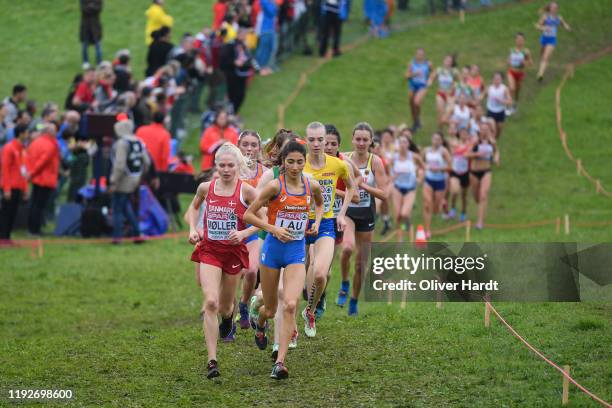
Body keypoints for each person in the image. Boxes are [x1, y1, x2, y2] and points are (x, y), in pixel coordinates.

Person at [244, 140, 324, 379]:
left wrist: (317, 222)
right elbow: (248, 214)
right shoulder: (274, 187)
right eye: (291, 162)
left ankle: (279, 362)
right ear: (283, 162)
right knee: (270, 308)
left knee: (290, 304)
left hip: (296, 252)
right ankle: (260, 323)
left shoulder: (312, 186)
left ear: (305, 161)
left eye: (300, 162)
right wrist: (272, 228)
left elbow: (320, 204)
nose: (296, 167)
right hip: (272, 250)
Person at [188, 143, 260, 379]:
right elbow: (194, 207)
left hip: (233, 252)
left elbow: (264, 217)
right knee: (210, 302)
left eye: (231, 165)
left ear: (238, 166)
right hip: (209, 250)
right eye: (222, 165)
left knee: (225, 307)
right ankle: (212, 360)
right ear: (215, 166)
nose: (226, 170)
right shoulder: (206, 188)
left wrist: (243, 233)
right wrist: (192, 229)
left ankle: (228, 319)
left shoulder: (246, 191)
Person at [302, 121, 354, 337]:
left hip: (325, 223)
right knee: (301, 280)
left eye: (320, 139)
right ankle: (291, 326)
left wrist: (341, 214)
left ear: (326, 140)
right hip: (299, 224)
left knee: (321, 274)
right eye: (312, 140)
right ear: (306, 140)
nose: (316, 144)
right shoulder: (298, 163)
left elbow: (351, 188)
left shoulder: (337, 165)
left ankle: (310, 312)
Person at [340, 122, 388, 315]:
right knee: (347, 248)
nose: (360, 143)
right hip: (349, 212)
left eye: (364, 140)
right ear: (352, 140)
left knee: (361, 264)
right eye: (357, 139)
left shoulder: (375, 162)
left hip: (367, 214)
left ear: (370, 142)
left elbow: (384, 194)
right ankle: (344, 282)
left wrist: (363, 185)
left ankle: (353, 299)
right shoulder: (343, 158)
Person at [236, 130, 268, 330]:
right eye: (245, 144)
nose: (249, 149)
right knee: (230, 276)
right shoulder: (230, 169)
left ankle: (244, 304)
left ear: (259, 148)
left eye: (253, 145)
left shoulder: (265, 173)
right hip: (231, 226)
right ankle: (226, 318)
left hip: (254, 227)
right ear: (238, 146)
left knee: (250, 271)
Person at [109, 114, 150, 244]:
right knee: (127, 207)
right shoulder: (138, 141)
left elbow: (120, 165)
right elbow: (147, 161)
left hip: (122, 180)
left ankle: (117, 237)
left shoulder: (122, 143)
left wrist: (113, 180)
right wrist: (140, 175)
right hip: (134, 179)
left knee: (116, 209)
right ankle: (137, 233)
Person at [26, 123, 60, 236]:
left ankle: (32, 228)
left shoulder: (35, 142)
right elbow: (43, 162)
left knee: (34, 204)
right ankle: (35, 229)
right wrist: (32, 172)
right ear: (49, 132)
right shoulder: (50, 144)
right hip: (45, 178)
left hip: (36, 178)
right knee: (39, 206)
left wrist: (31, 173)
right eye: (54, 130)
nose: (56, 133)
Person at [390, 132, 424, 241]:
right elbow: (388, 169)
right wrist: (392, 176)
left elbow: (423, 167)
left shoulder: (413, 156)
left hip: (410, 189)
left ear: (408, 144)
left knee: (404, 214)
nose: (402, 144)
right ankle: (401, 240)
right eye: (400, 142)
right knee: (398, 216)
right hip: (397, 188)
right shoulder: (394, 157)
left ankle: (408, 226)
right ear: (398, 144)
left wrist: (419, 178)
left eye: (404, 142)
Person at [467, 122, 498, 230]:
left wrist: (496, 158)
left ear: (489, 131)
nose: (485, 131)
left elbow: (496, 152)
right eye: (483, 129)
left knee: (483, 195)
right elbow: (467, 154)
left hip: (486, 171)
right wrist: (477, 154)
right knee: (477, 197)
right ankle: (481, 210)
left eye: (487, 129)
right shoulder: (475, 142)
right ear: (479, 130)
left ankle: (480, 222)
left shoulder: (492, 142)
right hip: (474, 172)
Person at [0, 124, 29, 242]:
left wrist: (25, 189)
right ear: (21, 133)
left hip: (18, 187)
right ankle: (3, 238)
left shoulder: (22, 149)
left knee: (12, 213)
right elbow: (5, 169)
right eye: (27, 132)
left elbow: (23, 170)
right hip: (10, 187)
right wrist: (6, 188)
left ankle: (7, 237)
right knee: (6, 213)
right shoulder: (9, 148)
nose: (28, 135)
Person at [220, 27, 257, 114]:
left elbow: (248, 57)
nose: (244, 36)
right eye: (243, 35)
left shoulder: (243, 45)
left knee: (241, 95)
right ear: (238, 34)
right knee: (232, 95)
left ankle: (234, 112)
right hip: (232, 74)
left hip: (242, 74)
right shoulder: (230, 45)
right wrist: (234, 62)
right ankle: (230, 113)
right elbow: (223, 59)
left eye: (245, 35)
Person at [421, 132, 451, 239]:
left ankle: (442, 203)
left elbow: (450, 166)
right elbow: (421, 162)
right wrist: (424, 168)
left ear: (441, 141)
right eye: (434, 138)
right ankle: (427, 231)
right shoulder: (426, 150)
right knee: (427, 205)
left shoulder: (444, 151)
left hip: (440, 181)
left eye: (438, 139)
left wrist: (439, 169)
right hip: (428, 180)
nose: (436, 141)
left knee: (436, 209)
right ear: (431, 139)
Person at [535, 1, 571, 82]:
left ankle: (540, 74)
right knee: (542, 55)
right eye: (552, 7)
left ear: (557, 9)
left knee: (545, 56)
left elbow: (563, 24)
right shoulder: (545, 17)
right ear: (550, 9)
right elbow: (537, 26)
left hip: (552, 40)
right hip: (544, 38)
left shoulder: (559, 18)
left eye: (555, 8)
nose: (554, 9)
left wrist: (567, 27)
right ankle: (541, 68)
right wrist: (543, 28)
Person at [446, 128, 472, 222]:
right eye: (462, 133)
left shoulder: (470, 146)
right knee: (454, 191)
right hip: (455, 171)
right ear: (459, 135)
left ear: (468, 135)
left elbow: (470, 154)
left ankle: (463, 213)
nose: (463, 135)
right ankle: (453, 209)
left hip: (465, 172)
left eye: (465, 134)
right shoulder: (455, 145)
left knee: (464, 195)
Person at [428, 55, 459, 131]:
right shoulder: (439, 70)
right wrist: (429, 82)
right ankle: (439, 131)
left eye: (449, 61)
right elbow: (432, 77)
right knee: (440, 114)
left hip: (450, 95)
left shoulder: (454, 71)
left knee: (448, 115)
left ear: (452, 63)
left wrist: (453, 88)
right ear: (443, 61)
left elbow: (459, 82)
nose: (447, 62)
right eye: (446, 60)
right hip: (441, 93)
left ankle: (454, 128)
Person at [405, 48, 431, 132]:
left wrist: (430, 81)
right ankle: (416, 121)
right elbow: (406, 76)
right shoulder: (412, 63)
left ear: (424, 55)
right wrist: (414, 74)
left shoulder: (428, 64)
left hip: (422, 86)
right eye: (418, 54)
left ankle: (417, 120)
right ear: (416, 55)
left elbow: (433, 73)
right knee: (411, 103)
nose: (419, 55)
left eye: (421, 54)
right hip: (413, 85)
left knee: (416, 102)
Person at [507, 32, 532, 113]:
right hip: (511, 72)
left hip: (520, 73)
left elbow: (531, 62)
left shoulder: (526, 51)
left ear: (524, 41)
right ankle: (508, 107)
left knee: (517, 91)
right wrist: (509, 61)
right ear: (515, 40)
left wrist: (525, 62)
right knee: (512, 88)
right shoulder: (512, 50)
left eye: (521, 40)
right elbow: (508, 60)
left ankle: (515, 103)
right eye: (518, 39)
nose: (519, 41)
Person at [485, 72, 512, 139]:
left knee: (499, 127)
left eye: (498, 79)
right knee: (491, 127)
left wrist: (501, 101)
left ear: (501, 80)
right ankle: (491, 139)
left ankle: (496, 138)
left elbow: (510, 101)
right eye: (495, 79)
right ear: (492, 79)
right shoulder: (489, 88)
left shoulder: (504, 89)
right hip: (490, 110)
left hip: (500, 111)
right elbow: (482, 96)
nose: (496, 80)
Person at [254, 0, 278, 75]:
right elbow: (272, 12)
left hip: (271, 28)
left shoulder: (269, 2)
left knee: (269, 49)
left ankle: (264, 66)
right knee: (263, 49)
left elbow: (275, 11)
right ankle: (259, 67)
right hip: (265, 29)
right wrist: (273, 4)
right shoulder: (264, 1)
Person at [80, 0, 103, 68]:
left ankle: (99, 62)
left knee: (98, 45)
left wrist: (89, 7)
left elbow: (98, 9)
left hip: (95, 27)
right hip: (85, 27)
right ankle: (85, 62)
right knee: (84, 46)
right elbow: (84, 9)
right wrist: (92, 6)